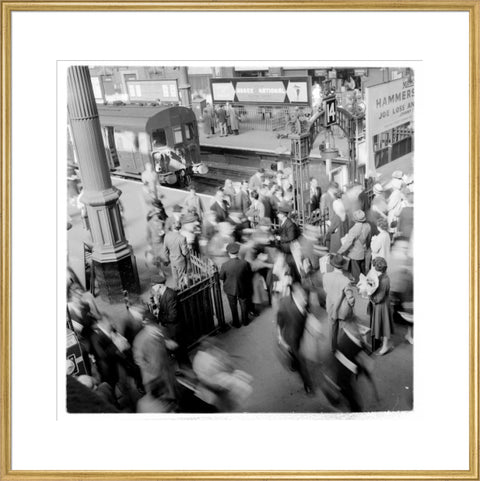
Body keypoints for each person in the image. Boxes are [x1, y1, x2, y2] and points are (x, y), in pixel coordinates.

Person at [131, 305, 177, 403]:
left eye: (155, 325)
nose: (156, 329)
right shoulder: (140, 340)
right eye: (152, 326)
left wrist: (168, 344)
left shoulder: (161, 330)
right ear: (146, 326)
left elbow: (166, 342)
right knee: (160, 402)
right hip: (153, 378)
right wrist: (152, 369)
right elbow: (138, 359)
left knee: (172, 396)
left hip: (166, 371)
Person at [276, 283, 313, 394]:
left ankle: (293, 363)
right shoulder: (285, 303)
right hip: (290, 338)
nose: (305, 300)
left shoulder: (305, 302)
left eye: (306, 297)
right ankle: (307, 384)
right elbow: (279, 320)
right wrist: (279, 336)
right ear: (295, 296)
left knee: (293, 356)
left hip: (299, 335)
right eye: (303, 298)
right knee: (301, 362)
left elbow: (307, 314)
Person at [219, 242, 254, 328]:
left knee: (233, 305)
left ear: (228, 253)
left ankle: (236, 323)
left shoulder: (224, 265)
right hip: (243, 287)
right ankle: (245, 321)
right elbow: (249, 275)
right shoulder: (245, 263)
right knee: (243, 304)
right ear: (238, 252)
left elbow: (221, 277)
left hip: (230, 289)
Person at [322, 254, 352, 351]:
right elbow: (350, 298)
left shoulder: (325, 276)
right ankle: (343, 346)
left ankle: (333, 347)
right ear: (343, 266)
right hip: (342, 310)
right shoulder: (346, 280)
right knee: (343, 328)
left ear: (333, 265)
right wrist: (352, 304)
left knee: (332, 327)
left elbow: (326, 290)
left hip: (330, 306)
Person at [337, 210, 371, 283]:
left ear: (355, 219)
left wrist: (339, 251)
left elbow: (348, 243)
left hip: (355, 254)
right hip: (363, 252)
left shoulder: (354, 229)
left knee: (356, 275)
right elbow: (368, 239)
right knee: (362, 273)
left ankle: (358, 288)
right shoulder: (368, 226)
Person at [368, 257, 394, 355]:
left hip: (381, 305)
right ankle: (384, 343)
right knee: (383, 324)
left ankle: (385, 346)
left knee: (384, 325)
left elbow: (378, 298)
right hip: (384, 303)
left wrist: (369, 295)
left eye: (374, 267)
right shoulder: (384, 277)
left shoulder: (383, 281)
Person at [164, 220, 190, 287]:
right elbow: (184, 253)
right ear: (180, 227)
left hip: (172, 260)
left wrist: (168, 259)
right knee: (181, 277)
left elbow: (165, 251)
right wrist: (188, 249)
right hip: (180, 261)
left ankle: (176, 288)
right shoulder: (182, 238)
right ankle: (182, 291)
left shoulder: (167, 236)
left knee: (175, 277)